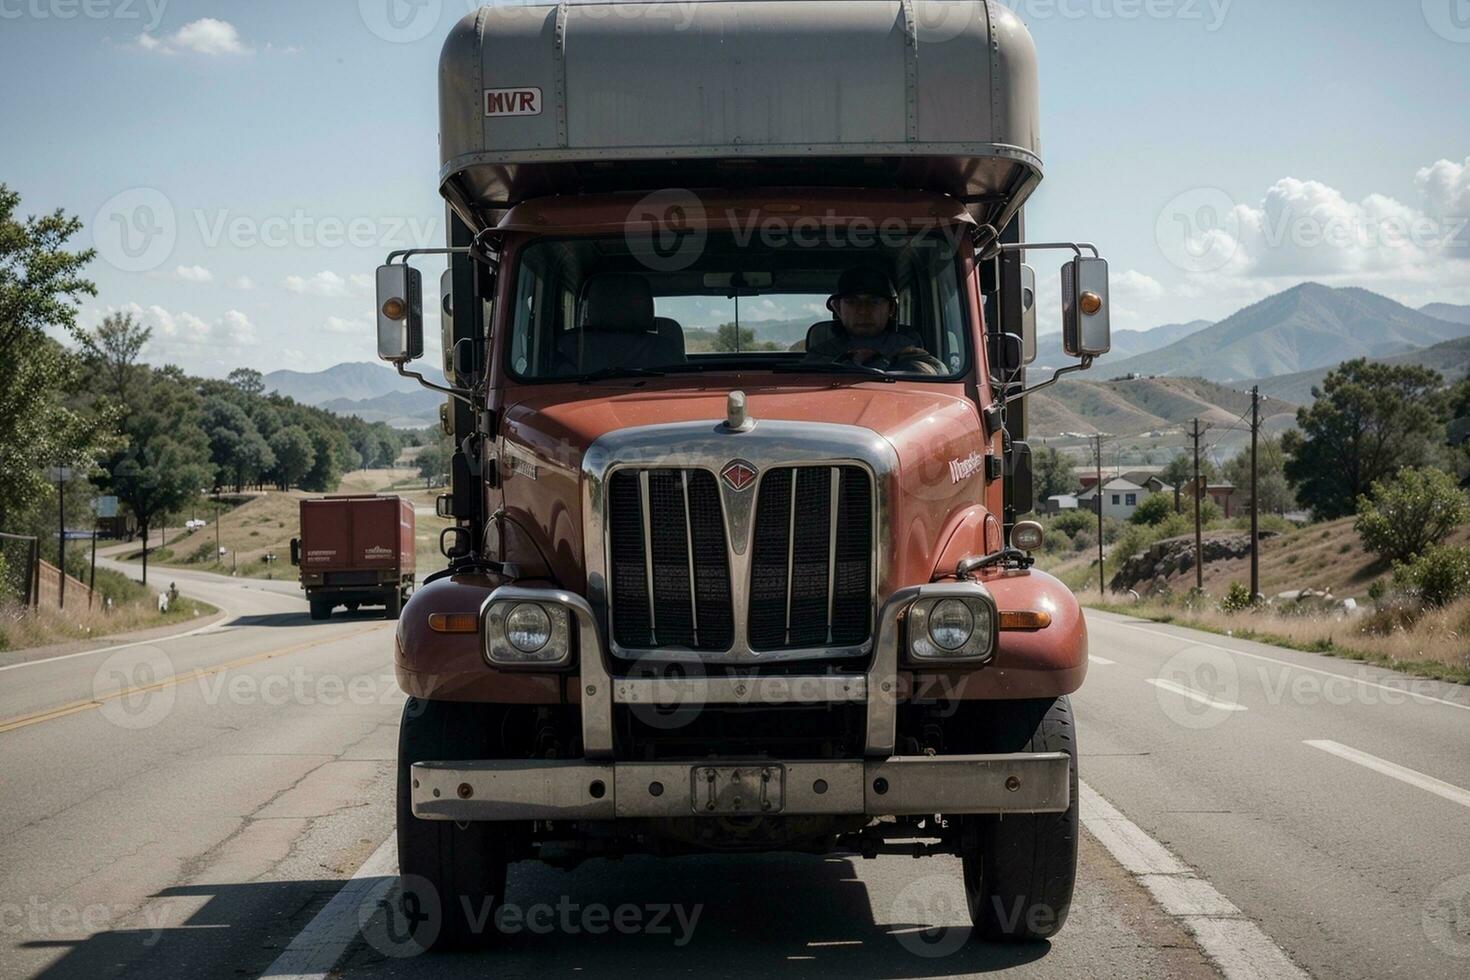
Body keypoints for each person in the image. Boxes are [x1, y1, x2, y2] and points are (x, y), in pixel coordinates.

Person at [803, 266, 945, 375]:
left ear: (891, 309)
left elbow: (936, 374)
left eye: (875, 301)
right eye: (852, 302)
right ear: (838, 309)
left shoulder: (906, 348)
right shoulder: (822, 354)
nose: (864, 310)